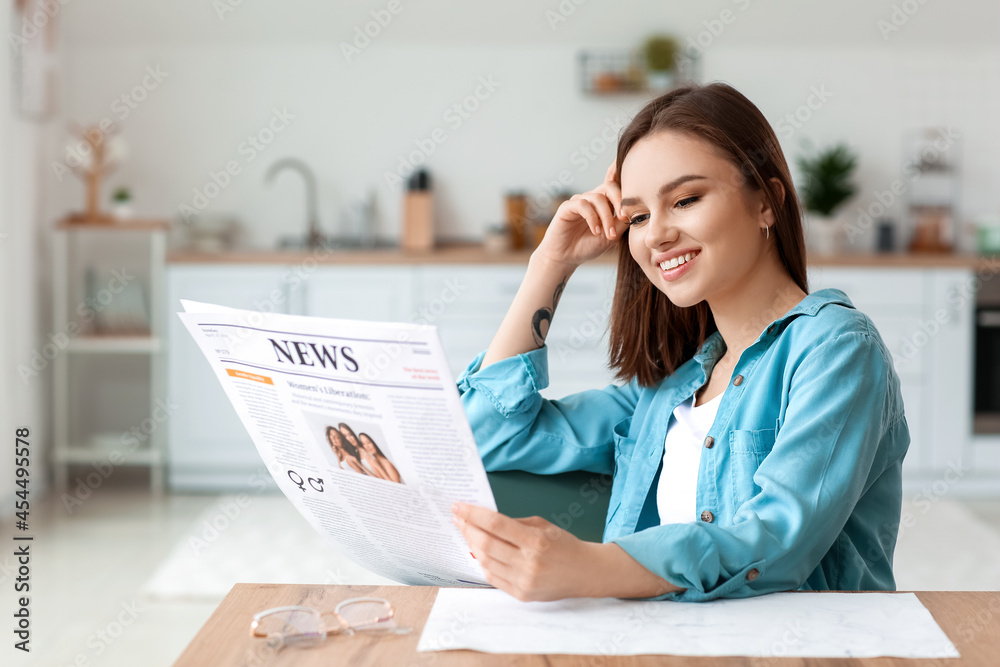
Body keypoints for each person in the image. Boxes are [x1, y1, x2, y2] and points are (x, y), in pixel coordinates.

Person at [450, 82, 909, 604]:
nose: (655, 235)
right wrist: (550, 264)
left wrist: (594, 566)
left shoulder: (835, 348)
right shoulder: (666, 392)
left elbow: (775, 543)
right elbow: (482, 438)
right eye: (638, 216)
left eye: (686, 200)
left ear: (767, 201)